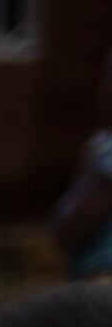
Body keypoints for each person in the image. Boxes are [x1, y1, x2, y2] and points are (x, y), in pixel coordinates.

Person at [51, 48, 112, 281]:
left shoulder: (106, 159)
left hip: (100, 281)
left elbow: (76, 227)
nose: (106, 88)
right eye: (106, 77)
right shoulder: (100, 147)